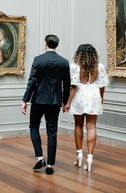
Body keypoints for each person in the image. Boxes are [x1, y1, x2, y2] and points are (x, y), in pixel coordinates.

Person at [21, 34, 70, 175]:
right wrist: (65, 102)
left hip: (38, 100)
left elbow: (32, 81)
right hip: (55, 102)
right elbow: (67, 85)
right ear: (56, 45)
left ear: (45, 44)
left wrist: (25, 100)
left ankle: (40, 157)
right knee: (52, 132)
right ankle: (49, 165)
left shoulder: (38, 60)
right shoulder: (64, 62)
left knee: (33, 126)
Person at [64, 44, 109, 172]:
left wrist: (68, 102)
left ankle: (79, 155)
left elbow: (74, 86)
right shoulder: (99, 67)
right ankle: (90, 158)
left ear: (79, 54)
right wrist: (101, 99)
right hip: (93, 95)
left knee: (78, 125)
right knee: (91, 126)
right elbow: (102, 86)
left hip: (79, 96)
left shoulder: (75, 67)